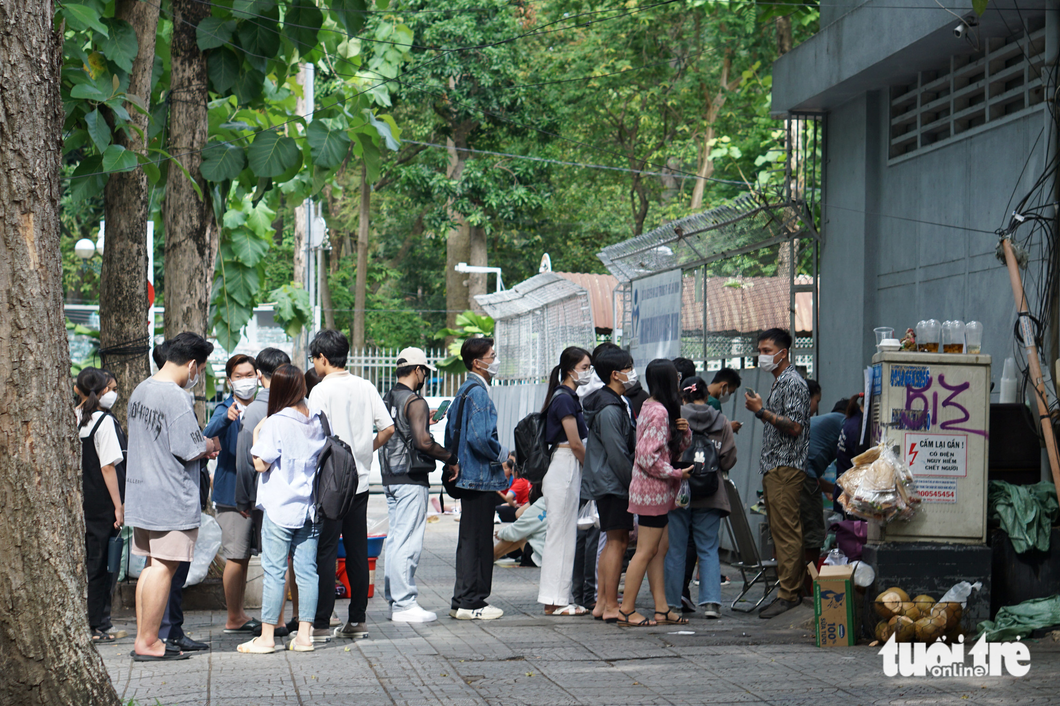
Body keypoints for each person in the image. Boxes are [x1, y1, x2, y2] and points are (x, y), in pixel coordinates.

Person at [126, 332, 221, 661]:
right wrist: (209, 445)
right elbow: (190, 446)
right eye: (201, 369)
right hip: (169, 496)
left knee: (151, 567)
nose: (198, 376)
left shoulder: (141, 390)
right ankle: (149, 642)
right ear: (193, 364)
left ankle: (143, 638)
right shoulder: (176, 397)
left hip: (141, 494)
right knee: (164, 568)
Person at [309, 330, 395, 640]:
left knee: (327, 551)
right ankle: (357, 620)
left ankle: (321, 622)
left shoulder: (320, 391)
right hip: (359, 481)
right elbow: (388, 428)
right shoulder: (366, 386)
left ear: (323, 358)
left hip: (331, 483)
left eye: (314, 359)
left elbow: (315, 436)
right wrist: (365, 449)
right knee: (358, 550)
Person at [240, 364, 325, 654]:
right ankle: (304, 636)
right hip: (310, 507)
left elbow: (260, 463)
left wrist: (257, 433)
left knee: (275, 572)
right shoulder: (318, 419)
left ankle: (266, 639)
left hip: (280, 508)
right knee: (307, 572)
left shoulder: (276, 422)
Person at [379, 347, 457, 624]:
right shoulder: (415, 401)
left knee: (396, 540)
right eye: (424, 371)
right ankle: (404, 603)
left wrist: (426, 420)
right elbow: (423, 442)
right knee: (408, 541)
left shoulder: (387, 398)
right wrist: (451, 457)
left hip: (390, 477)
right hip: (411, 479)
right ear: (418, 370)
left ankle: (396, 601)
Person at [444, 337, 516, 620]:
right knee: (479, 542)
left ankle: (462, 600)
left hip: (467, 476)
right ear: (478, 362)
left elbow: (453, 434)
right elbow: (480, 438)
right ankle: (472, 603)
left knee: (470, 539)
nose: (495, 360)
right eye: (492, 355)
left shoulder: (464, 390)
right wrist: (505, 456)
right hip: (481, 477)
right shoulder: (479, 393)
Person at [619, 359, 692, 628]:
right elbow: (647, 457)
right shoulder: (659, 411)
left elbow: (669, 449)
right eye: (676, 377)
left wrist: (684, 432)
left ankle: (661, 608)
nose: (679, 381)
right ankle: (626, 610)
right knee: (646, 551)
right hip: (652, 492)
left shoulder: (655, 408)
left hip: (656, 492)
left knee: (659, 549)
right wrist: (677, 474)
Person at [744, 328, 811, 619]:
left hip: (786, 466)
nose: (762, 356)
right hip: (775, 466)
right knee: (780, 529)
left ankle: (789, 594)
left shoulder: (793, 383)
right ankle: (787, 589)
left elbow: (795, 427)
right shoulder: (780, 382)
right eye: (760, 351)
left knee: (786, 532)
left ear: (783, 353)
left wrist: (761, 412)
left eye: (767, 351)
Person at [665, 376, 738, 619]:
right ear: (707, 397)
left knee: (676, 549)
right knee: (707, 548)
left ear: (682, 397)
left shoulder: (674, 418)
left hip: (679, 490)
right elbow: (728, 459)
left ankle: (673, 603)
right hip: (710, 493)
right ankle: (711, 603)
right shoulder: (722, 422)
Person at [203, 354, 262, 636]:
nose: (245, 380)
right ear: (229, 380)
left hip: (258, 494)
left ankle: (238, 614)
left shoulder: (264, 408)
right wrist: (226, 419)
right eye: (239, 376)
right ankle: (233, 617)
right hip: (231, 496)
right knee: (235, 557)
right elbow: (207, 432)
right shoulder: (224, 408)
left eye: (249, 374)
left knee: (245, 557)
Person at [235, 348, 291, 636]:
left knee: (272, 563)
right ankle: (290, 621)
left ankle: (274, 625)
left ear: (259, 375)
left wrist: (243, 498)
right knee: (292, 563)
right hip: (296, 497)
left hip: (265, 495)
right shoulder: (299, 406)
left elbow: (247, 459)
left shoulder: (256, 409)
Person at [583, 348, 638, 622]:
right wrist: (633, 483)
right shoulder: (610, 407)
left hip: (607, 482)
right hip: (614, 484)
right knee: (617, 542)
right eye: (629, 367)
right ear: (616, 374)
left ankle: (602, 603)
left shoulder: (609, 402)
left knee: (613, 542)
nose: (632, 372)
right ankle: (611, 606)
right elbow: (617, 453)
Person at [537, 346, 592, 616]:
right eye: (584, 368)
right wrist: (591, 466)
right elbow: (574, 442)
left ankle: (557, 599)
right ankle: (555, 600)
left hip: (565, 465)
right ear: (570, 370)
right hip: (565, 464)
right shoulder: (565, 399)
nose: (588, 372)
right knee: (561, 535)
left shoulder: (566, 396)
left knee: (563, 534)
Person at [75, 367, 126, 643]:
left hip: (80, 501)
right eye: (112, 388)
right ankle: (98, 624)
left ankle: (92, 621)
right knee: (102, 564)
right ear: (103, 390)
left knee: (87, 562)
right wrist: (118, 505)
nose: (113, 393)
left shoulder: (72, 418)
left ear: (76, 390)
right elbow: (108, 468)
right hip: (102, 502)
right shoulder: (103, 422)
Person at [800, 381, 845, 573]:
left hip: (786, 477)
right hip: (802, 479)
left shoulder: (817, 425)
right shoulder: (844, 421)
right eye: (817, 400)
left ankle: (789, 587)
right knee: (813, 537)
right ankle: (810, 584)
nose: (817, 406)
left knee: (788, 536)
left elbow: (816, 479)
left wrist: (836, 490)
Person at [493, 486, 548, 566]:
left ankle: (489, 556)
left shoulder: (540, 504)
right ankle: (495, 555)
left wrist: (500, 533)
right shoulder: (556, 502)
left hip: (538, 558)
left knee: (520, 534)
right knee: (520, 533)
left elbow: (516, 526)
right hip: (552, 555)